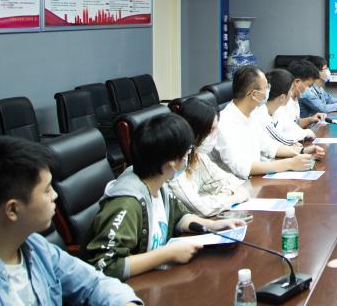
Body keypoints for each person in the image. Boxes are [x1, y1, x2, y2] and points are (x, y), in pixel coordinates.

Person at [0, 136, 141, 305]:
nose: (55, 195)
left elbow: (94, 283)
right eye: (46, 190)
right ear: (13, 209)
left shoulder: (36, 247)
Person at [82, 113, 247, 280]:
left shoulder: (158, 182)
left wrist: (213, 225)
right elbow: (105, 266)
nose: (188, 157)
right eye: (187, 152)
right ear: (172, 163)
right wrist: (167, 254)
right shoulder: (126, 204)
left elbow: (179, 217)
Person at [212, 65, 320, 179]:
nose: (268, 91)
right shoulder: (225, 123)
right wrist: (289, 164)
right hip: (237, 184)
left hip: (255, 179)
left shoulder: (252, 114)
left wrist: (303, 151)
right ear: (254, 94)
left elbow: (269, 146)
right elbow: (243, 167)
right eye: (266, 87)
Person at [169, 97, 250, 217]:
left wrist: (224, 194)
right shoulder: (174, 166)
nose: (215, 133)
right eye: (211, 129)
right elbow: (201, 209)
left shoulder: (197, 155)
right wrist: (234, 198)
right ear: (194, 132)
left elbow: (231, 181)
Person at [272, 60, 327, 141]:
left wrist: (311, 119)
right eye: (309, 86)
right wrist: (305, 133)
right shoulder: (283, 102)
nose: (310, 90)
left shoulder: (295, 98)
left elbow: (294, 123)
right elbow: (281, 132)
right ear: (297, 82)